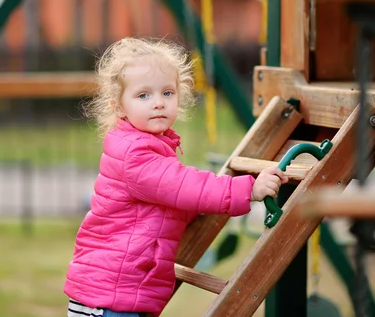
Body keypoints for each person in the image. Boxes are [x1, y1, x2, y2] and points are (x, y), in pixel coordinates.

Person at [64, 37, 288, 317]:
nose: (158, 103)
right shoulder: (135, 154)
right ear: (119, 107)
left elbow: (171, 202)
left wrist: (198, 210)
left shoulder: (151, 147)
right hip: (111, 298)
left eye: (167, 93)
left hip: (118, 293)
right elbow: (185, 186)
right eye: (143, 95)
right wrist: (249, 189)